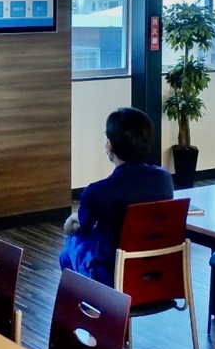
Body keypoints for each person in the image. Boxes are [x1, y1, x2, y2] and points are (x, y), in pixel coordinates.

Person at [60, 107, 174, 286]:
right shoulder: (164, 179)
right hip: (158, 273)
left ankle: (93, 302)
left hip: (112, 276)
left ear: (110, 145)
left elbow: (82, 227)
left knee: (69, 248)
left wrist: (72, 220)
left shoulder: (97, 191)